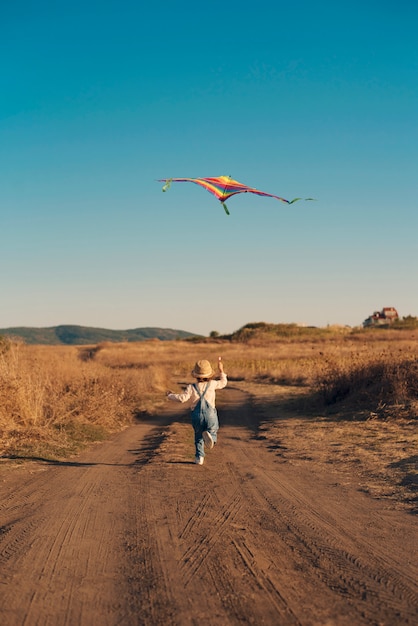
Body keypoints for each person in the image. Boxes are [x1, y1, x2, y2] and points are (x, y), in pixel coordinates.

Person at [166, 357, 227, 465]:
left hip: (196, 415)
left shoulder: (191, 387)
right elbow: (223, 383)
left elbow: (182, 399)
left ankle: (199, 457)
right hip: (210, 414)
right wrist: (221, 370)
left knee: (198, 435)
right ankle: (211, 436)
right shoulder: (212, 384)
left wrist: (170, 395)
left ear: (196, 375)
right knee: (213, 428)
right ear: (209, 374)